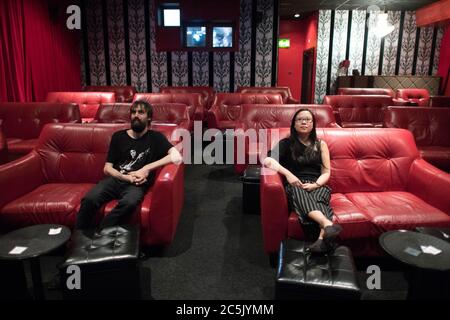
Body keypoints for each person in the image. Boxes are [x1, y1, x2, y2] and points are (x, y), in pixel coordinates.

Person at [75, 100, 182, 230]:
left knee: (129, 203)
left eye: (141, 112)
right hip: (116, 180)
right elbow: (107, 168)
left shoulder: (156, 138)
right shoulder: (118, 136)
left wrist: (146, 168)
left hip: (137, 184)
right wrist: (125, 177)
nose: (136, 115)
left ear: (148, 117)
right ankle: (78, 237)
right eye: (133, 112)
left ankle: (100, 231)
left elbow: (177, 156)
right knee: (89, 199)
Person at [263, 108, 342, 253]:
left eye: (308, 119)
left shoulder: (321, 145)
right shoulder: (286, 143)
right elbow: (268, 160)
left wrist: (316, 184)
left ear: (313, 124)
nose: (304, 122)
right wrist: (288, 174)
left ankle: (320, 241)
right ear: (294, 124)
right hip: (296, 184)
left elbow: (326, 172)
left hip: (318, 184)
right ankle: (327, 224)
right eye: (300, 119)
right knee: (299, 192)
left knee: (318, 197)